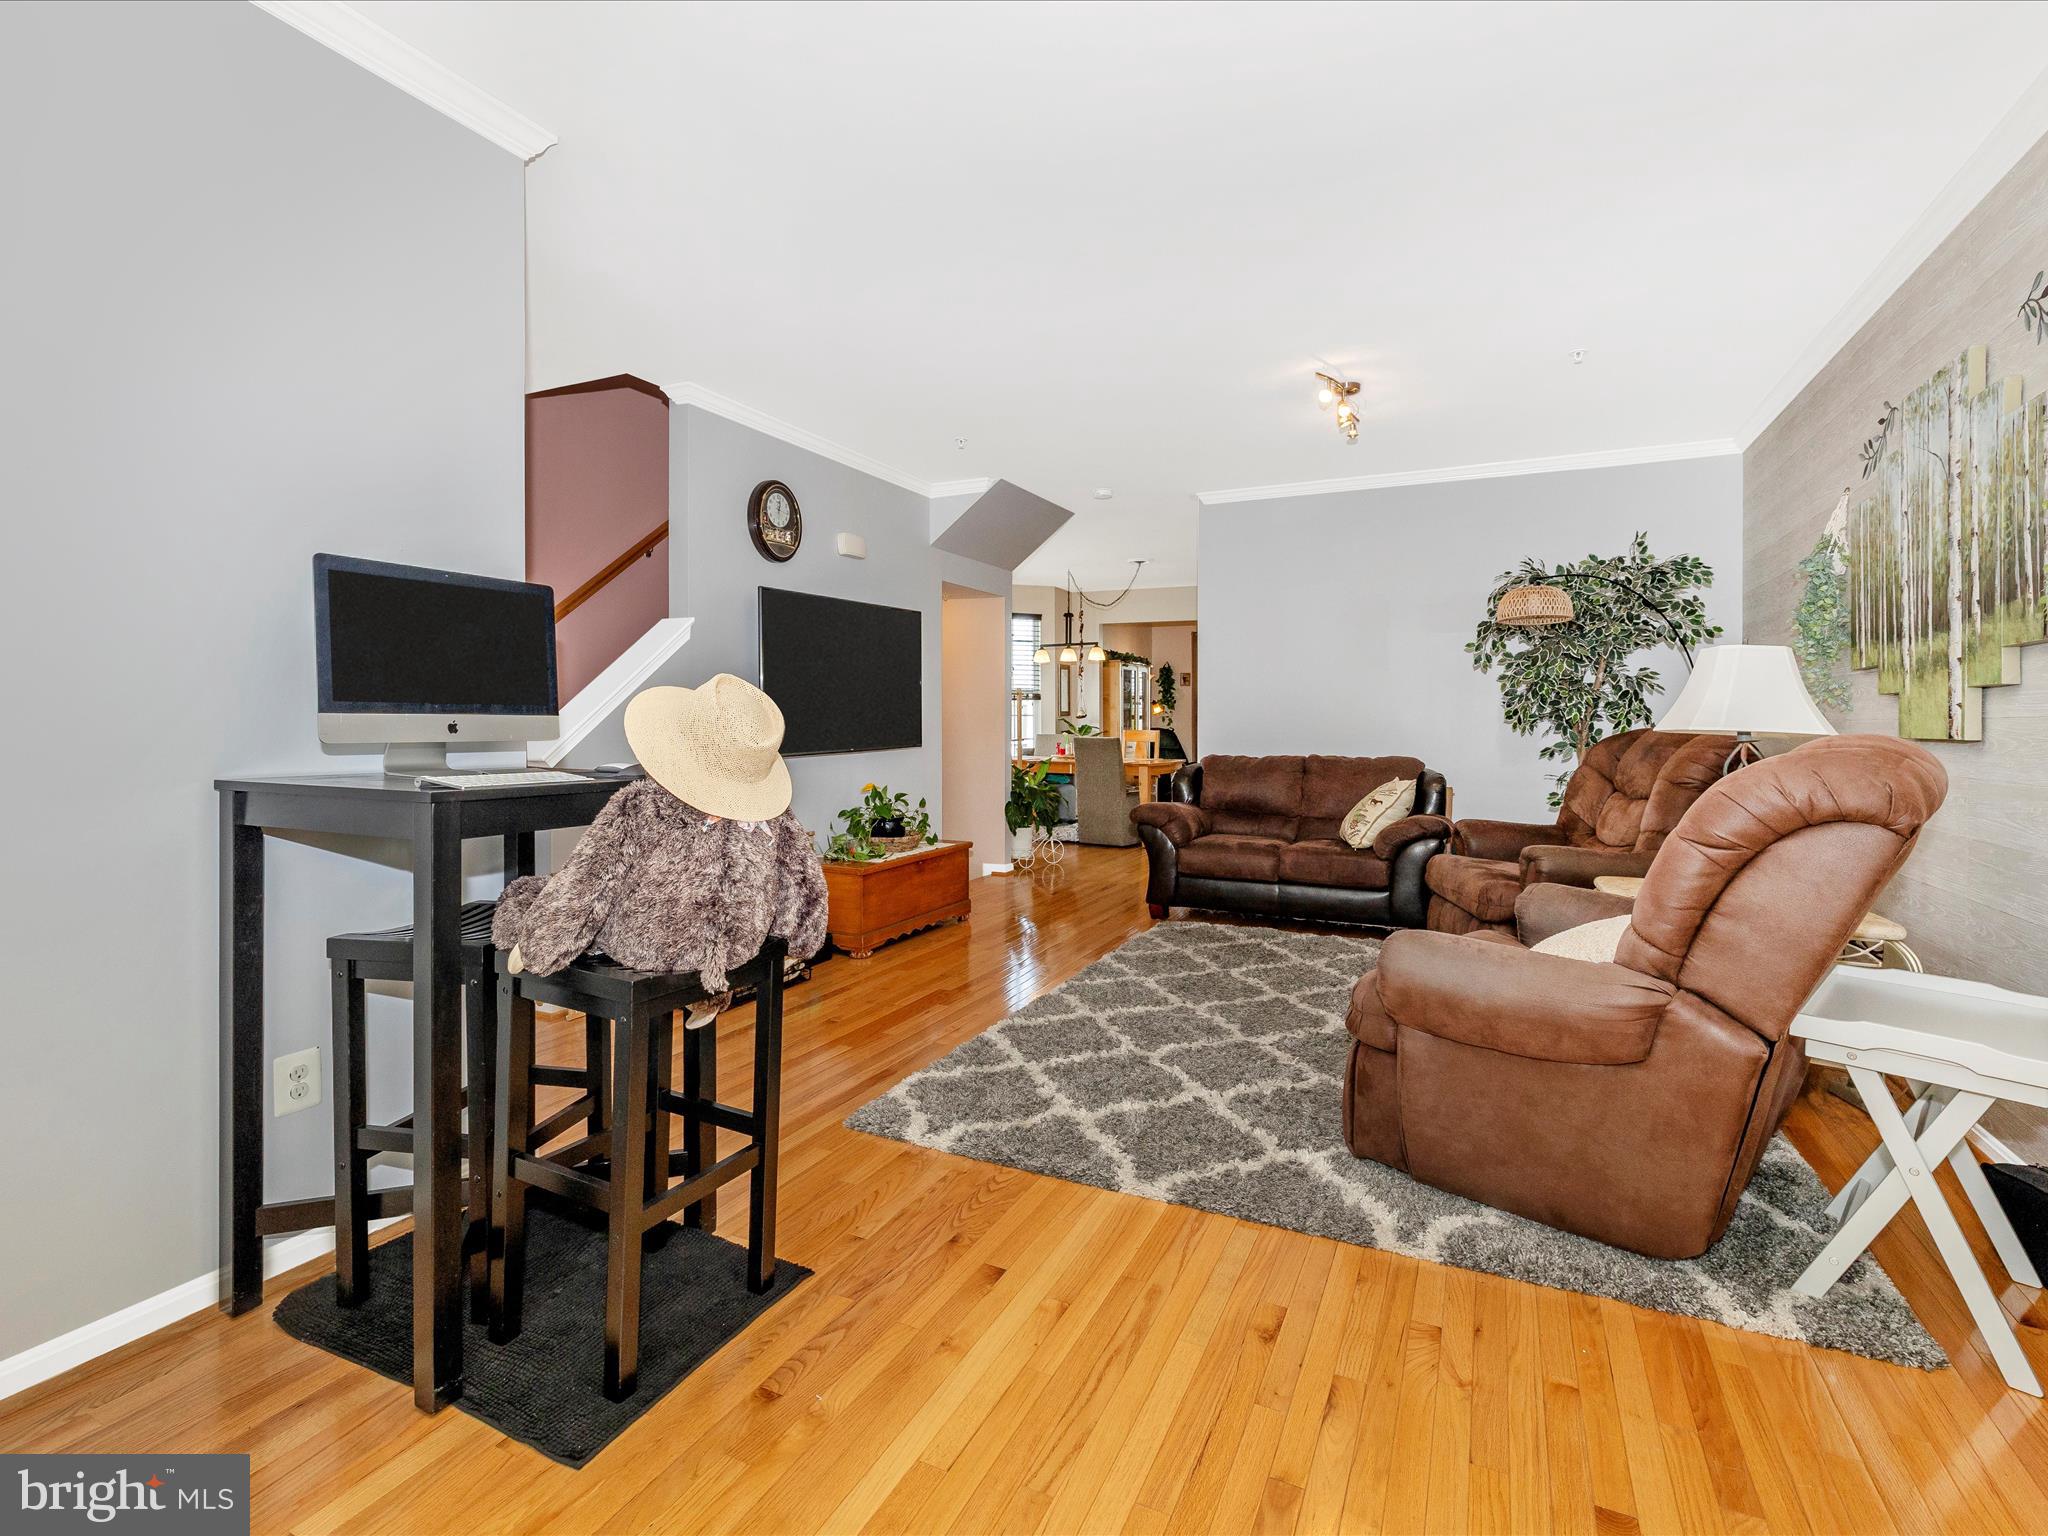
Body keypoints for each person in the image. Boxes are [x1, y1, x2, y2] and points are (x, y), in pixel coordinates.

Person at [492, 673, 828, 1009]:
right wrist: (801, 938)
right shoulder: (776, 816)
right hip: (738, 944)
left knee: (530, 893)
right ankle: (706, 996)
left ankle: (527, 942)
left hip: (651, 941)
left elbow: (588, 879)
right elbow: (804, 883)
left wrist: (542, 946)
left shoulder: (641, 802)